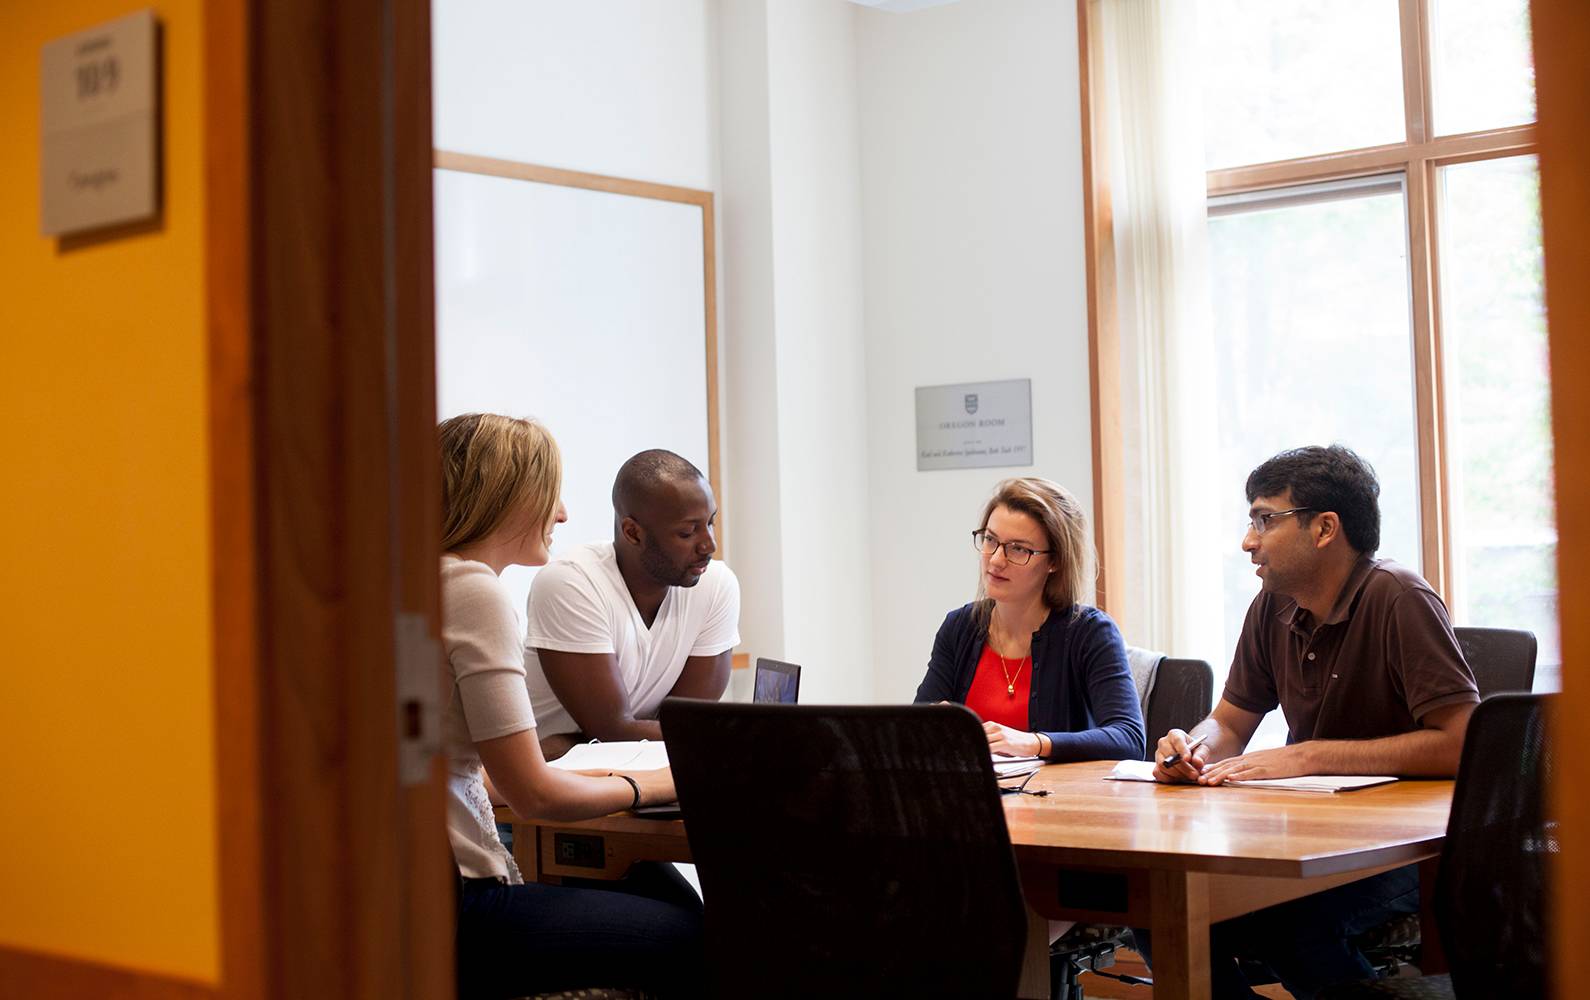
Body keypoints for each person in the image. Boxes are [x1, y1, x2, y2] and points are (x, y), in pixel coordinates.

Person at [1142, 445, 1480, 999]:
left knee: (1289, 923)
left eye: (1264, 520)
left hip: (1408, 847)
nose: (1249, 540)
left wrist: (1310, 754)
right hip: (1313, 835)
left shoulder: (1398, 596)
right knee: (1162, 905)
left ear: (1325, 528)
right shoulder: (1271, 606)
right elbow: (1229, 720)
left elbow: (1463, 744)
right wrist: (1192, 746)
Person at [439, 414, 702, 999]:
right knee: (699, 938)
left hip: (414, 895)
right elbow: (536, 795)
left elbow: (464, 772)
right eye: (549, 493)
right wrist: (657, 784)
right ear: (506, 495)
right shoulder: (473, 591)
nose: (561, 513)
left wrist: (598, 771)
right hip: (460, 906)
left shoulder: (418, 584)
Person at [524, 449, 740, 761]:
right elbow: (612, 730)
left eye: (711, 523)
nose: (709, 545)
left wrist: (575, 742)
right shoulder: (570, 582)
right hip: (537, 791)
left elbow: (689, 727)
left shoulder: (717, 585)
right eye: (687, 532)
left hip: (630, 772)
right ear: (632, 532)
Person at [914, 477, 1144, 763]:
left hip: (1058, 802)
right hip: (973, 799)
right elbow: (914, 729)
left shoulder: (1090, 632)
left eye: (1018, 549)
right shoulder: (959, 627)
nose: (996, 560)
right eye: (990, 540)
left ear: (1055, 561)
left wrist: (1033, 743)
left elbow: (1129, 738)